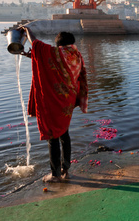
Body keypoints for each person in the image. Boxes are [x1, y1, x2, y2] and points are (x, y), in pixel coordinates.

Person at [20, 27, 88, 183]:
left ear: (59, 45)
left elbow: (36, 43)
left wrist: (27, 30)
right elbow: (54, 64)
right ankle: (65, 169)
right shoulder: (75, 55)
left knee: (52, 136)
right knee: (64, 133)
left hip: (56, 101)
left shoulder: (60, 53)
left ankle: (55, 175)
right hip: (67, 101)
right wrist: (32, 56)